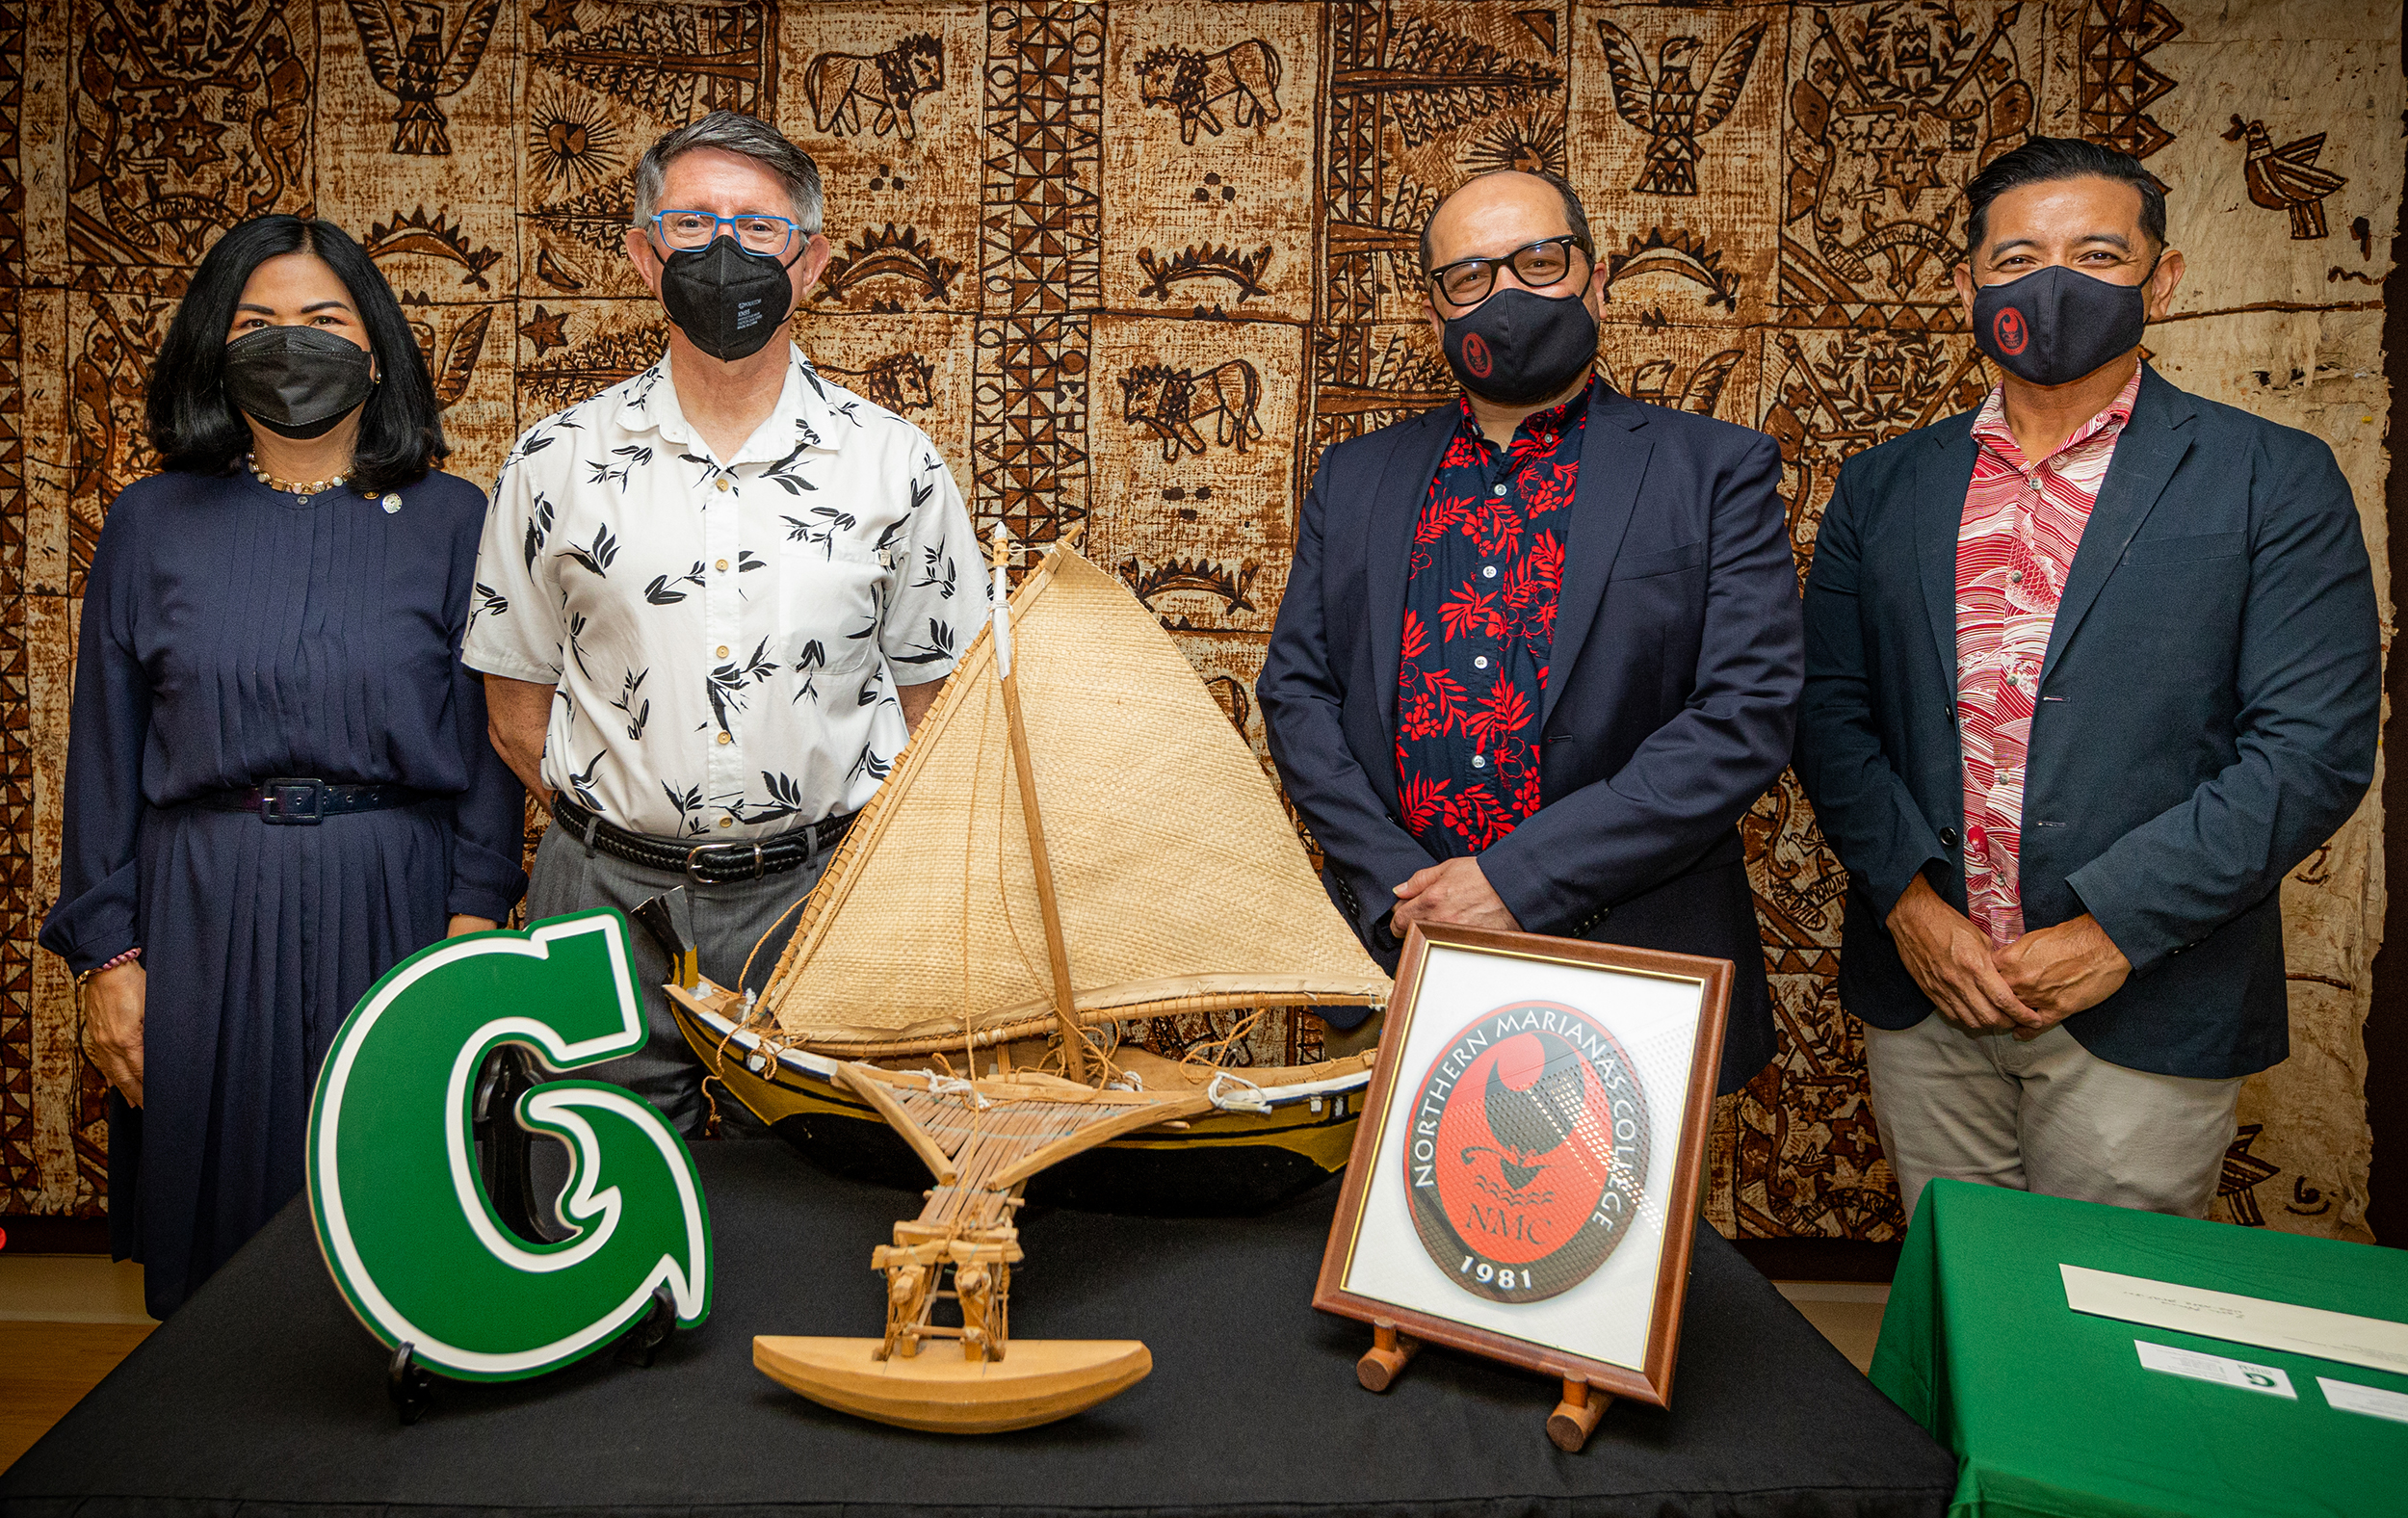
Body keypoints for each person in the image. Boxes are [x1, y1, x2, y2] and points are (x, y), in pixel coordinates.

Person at [1794, 137, 2380, 1222]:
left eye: (2096, 253)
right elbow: (1827, 711)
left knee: (2105, 1336)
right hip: (1928, 994)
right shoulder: (1882, 486)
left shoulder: (2272, 479)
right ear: (1964, 283)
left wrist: (2110, 933)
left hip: (2145, 998)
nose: (2051, 283)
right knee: (1957, 1309)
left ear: (2161, 279)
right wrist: (1909, 907)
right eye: (2016, 257)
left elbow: (2311, 750)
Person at [39, 216, 527, 1317]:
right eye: (256, 322)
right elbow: (105, 753)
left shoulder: (456, 521)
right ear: (214, 343)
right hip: (204, 907)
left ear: (376, 346)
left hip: (396, 901)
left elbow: (490, 745)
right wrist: (109, 958)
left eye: (322, 320)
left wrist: (473, 918)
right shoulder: (151, 520)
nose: (288, 343)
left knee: (401, 1227)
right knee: (222, 1259)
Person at [465, 111, 980, 1138]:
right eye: (692, 223)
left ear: (813, 261)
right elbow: (515, 714)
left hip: (820, 901)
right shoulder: (550, 463)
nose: (724, 251)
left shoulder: (895, 466)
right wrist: (640, 838)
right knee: (594, 1186)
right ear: (643, 254)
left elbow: (943, 717)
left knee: (814, 1205)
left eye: (758, 227)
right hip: (600, 899)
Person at [1258, 170, 1802, 1093]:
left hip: (1631, 956)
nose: (1505, 294)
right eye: (1469, 277)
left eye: (1538, 262)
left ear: (1594, 282)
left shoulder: (1713, 470)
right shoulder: (1356, 476)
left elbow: (1744, 717)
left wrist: (1515, 881)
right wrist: (1414, 895)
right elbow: (1298, 693)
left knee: (1619, 1241)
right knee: (1394, 1231)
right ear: (1433, 310)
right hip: (1401, 955)